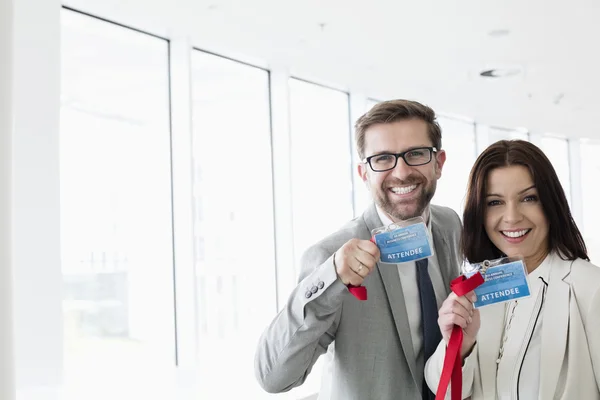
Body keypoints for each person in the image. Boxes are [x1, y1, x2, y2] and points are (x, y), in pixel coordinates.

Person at [254, 99, 464, 400]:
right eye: (382, 159)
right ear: (364, 173)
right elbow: (273, 377)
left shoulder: (449, 224)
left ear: (439, 163)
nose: (401, 172)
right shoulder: (329, 255)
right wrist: (332, 277)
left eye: (416, 154)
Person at [425, 139, 600, 399]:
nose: (512, 217)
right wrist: (459, 345)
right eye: (494, 202)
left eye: (529, 198)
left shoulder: (589, 286)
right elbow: (449, 392)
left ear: (551, 205)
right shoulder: (476, 291)